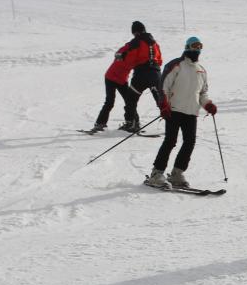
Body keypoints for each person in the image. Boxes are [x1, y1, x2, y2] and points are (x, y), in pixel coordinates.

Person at [145, 36, 216, 189]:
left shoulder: (201, 70)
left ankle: (177, 173)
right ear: (187, 47)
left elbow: (202, 93)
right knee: (170, 141)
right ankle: (156, 173)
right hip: (174, 110)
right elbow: (163, 86)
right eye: (194, 46)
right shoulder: (176, 65)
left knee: (190, 142)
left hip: (191, 112)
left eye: (200, 46)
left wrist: (208, 105)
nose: (197, 49)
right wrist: (163, 105)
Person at [91, 21, 158, 133]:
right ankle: (100, 124)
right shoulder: (132, 46)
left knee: (129, 101)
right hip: (111, 77)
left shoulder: (137, 45)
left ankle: (135, 123)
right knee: (110, 102)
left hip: (122, 80)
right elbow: (119, 55)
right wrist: (123, 55)